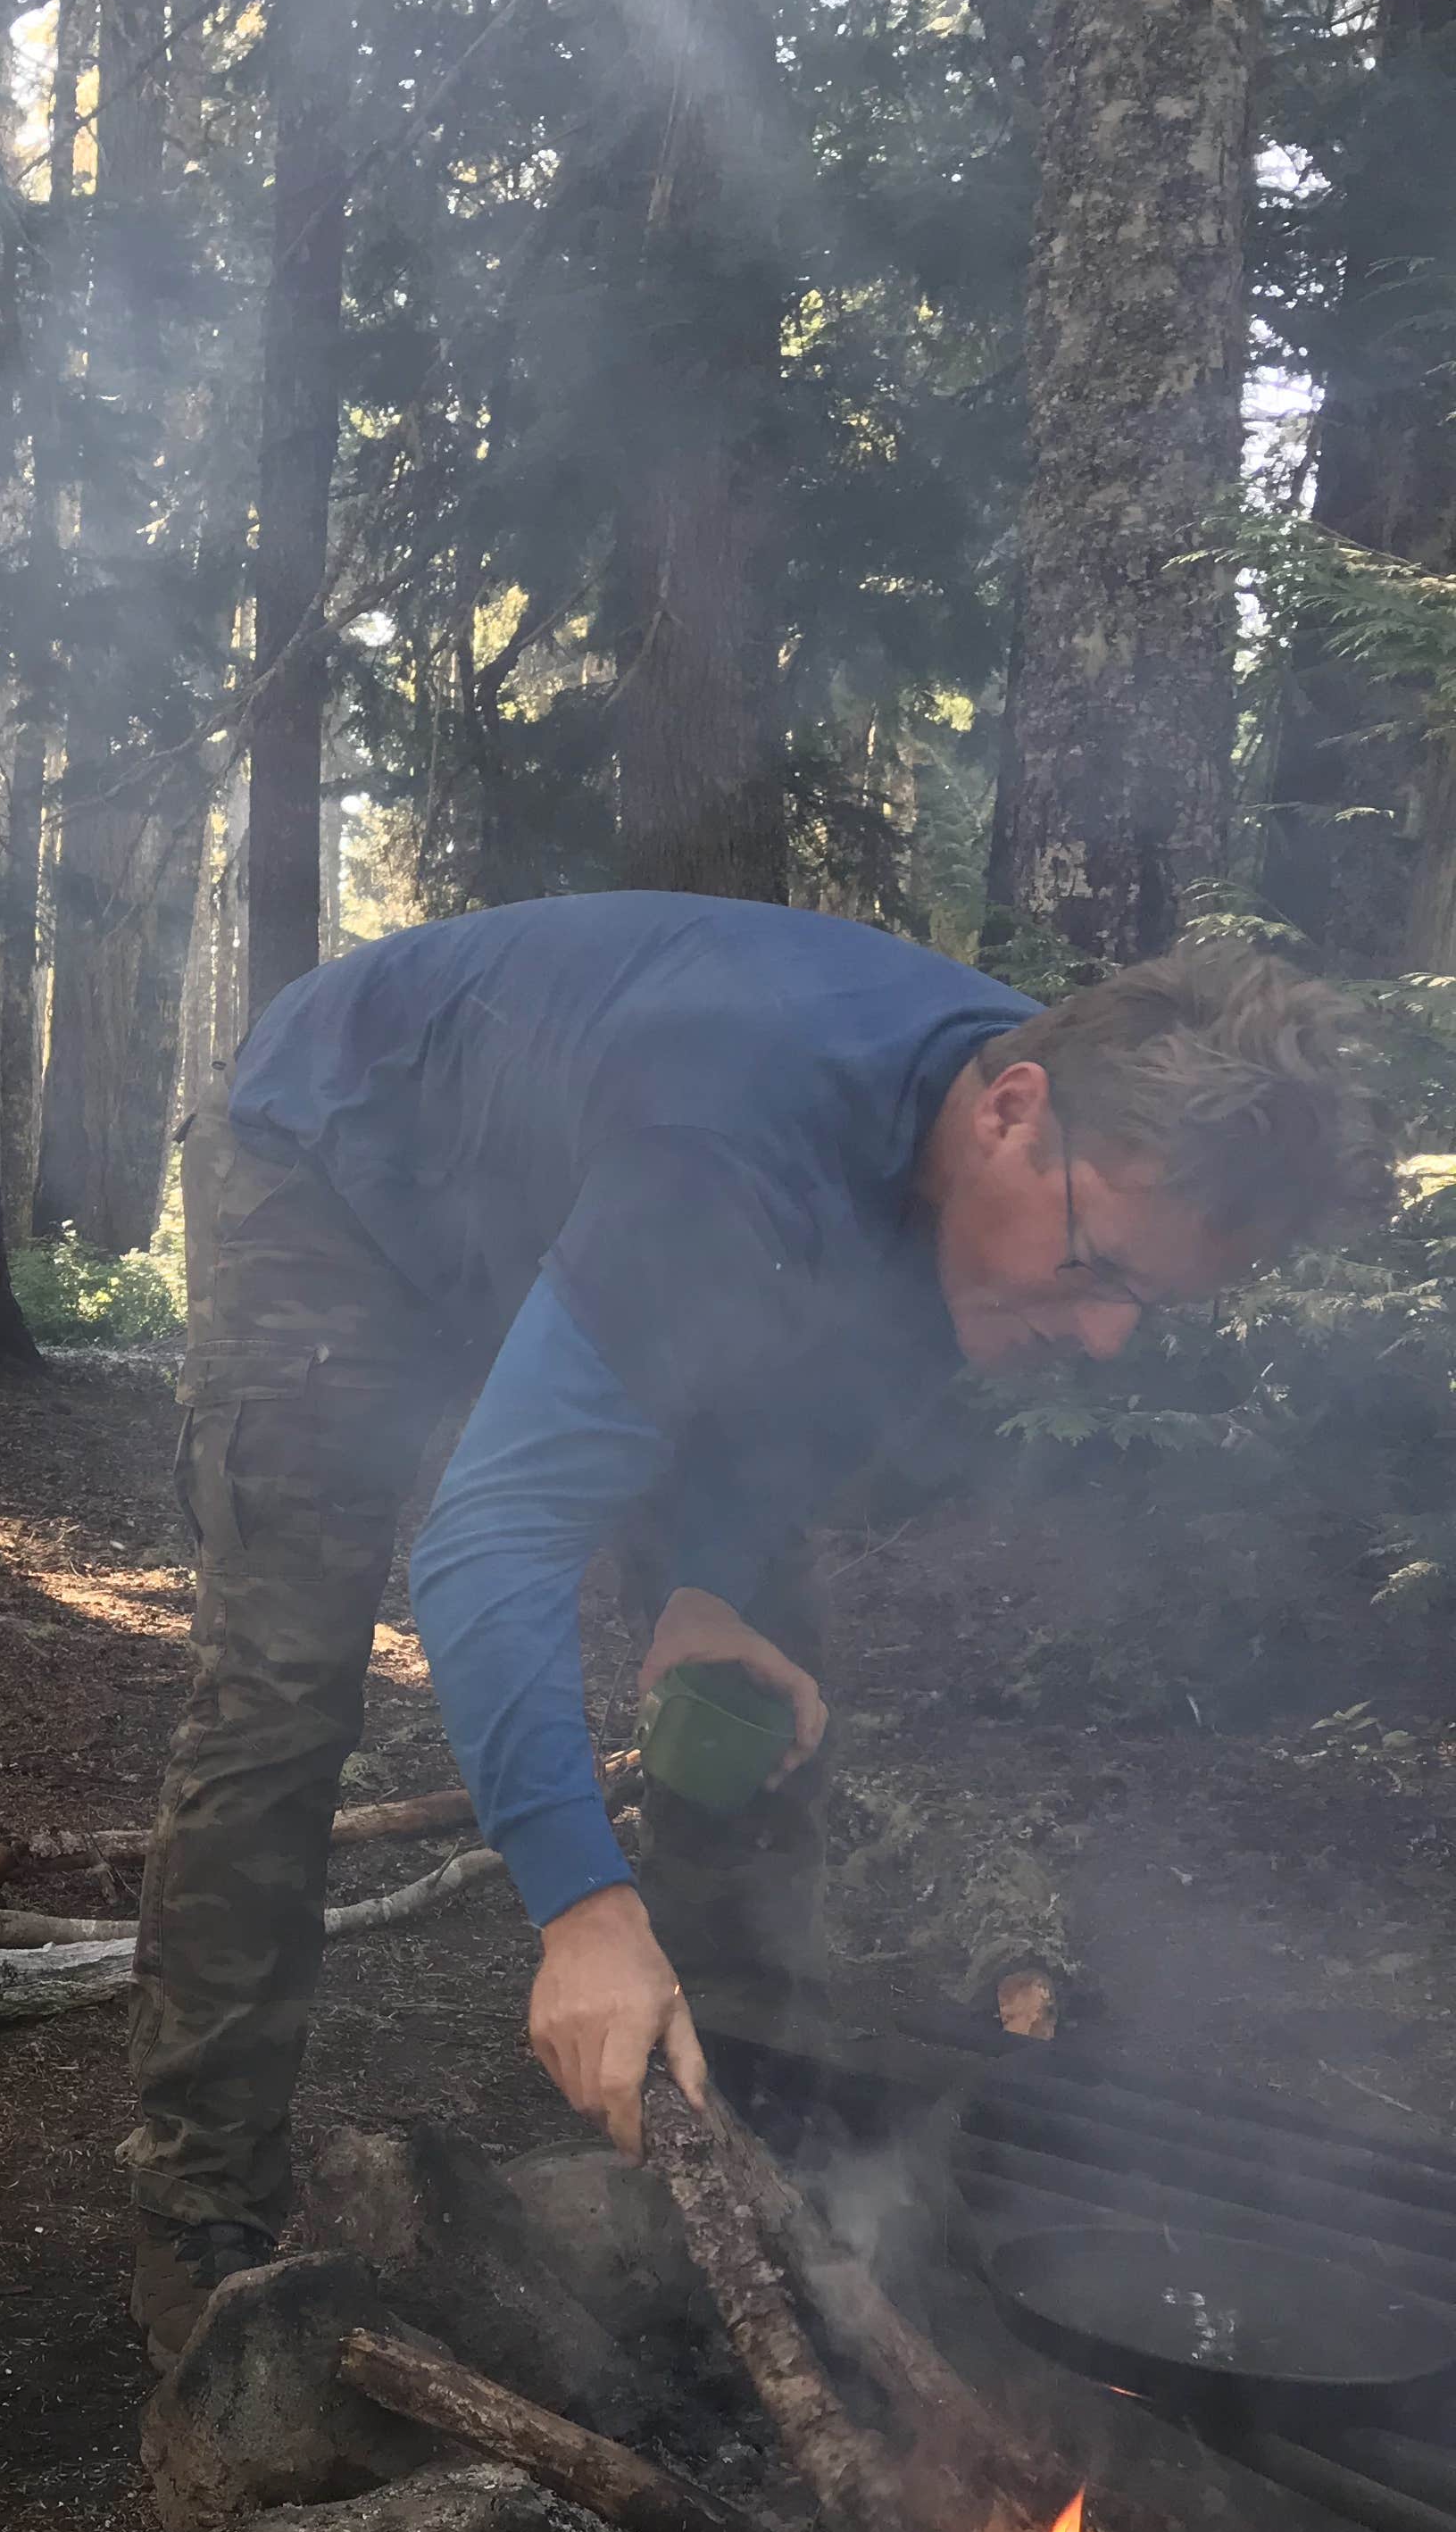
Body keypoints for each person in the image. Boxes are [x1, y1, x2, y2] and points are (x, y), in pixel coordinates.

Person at [129, 892, 1387, 2367]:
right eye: (1098, 1270)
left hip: (588, 1207)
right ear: (1012, 1114)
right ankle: (201, 2215)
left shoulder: (994, 1181)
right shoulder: (738, 1135)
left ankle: (746, 2154)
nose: (1105, 1337)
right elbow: (489, 1539)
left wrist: (703, 1585)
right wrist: (580, 1911)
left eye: (1147, 1306)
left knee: (755, 1676)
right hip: (345, 1165)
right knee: (280, 1685)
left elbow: (798, 1423)